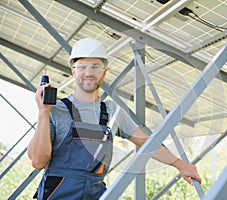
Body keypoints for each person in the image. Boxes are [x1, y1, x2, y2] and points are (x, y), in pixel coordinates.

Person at [28, 38, 202, 199]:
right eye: (82, 66)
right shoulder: (55, 109)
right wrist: (43, 113)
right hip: (59, 193)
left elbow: (147, 143)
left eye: (96, 66)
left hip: (95, 193)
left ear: (104, 72)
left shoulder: (112, 111)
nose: (89, 72)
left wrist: (180, 164)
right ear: (73, 71)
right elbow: (38, 161)